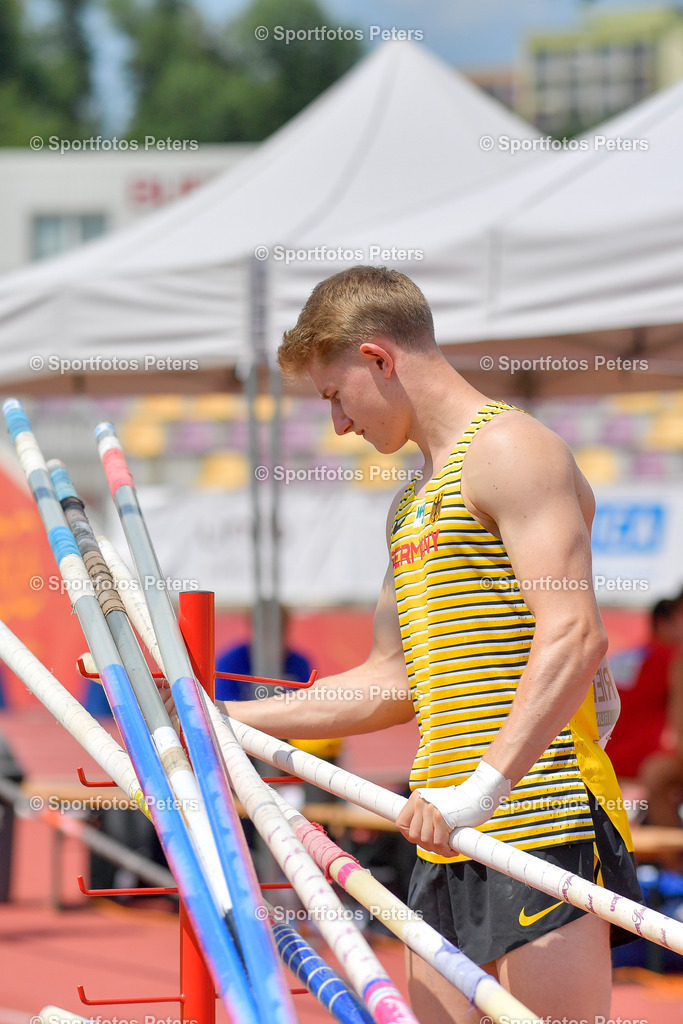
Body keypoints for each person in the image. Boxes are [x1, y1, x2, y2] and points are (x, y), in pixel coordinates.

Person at [218, 266, 642, 1024]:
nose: (339, 424)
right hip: (442, 827)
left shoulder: (511, 450)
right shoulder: (412, 500)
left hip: (538, 816)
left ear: (378, 358)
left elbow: (574, 634)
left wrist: (483, 787)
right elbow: (389, 681)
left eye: (333, 395)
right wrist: (227, 720)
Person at [609, 596, 683, 827]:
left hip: (609, 760)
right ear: (665, 622)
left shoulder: (621, 657)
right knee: (658, 774)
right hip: (646, 763)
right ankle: (673, 860)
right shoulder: (673, 658)